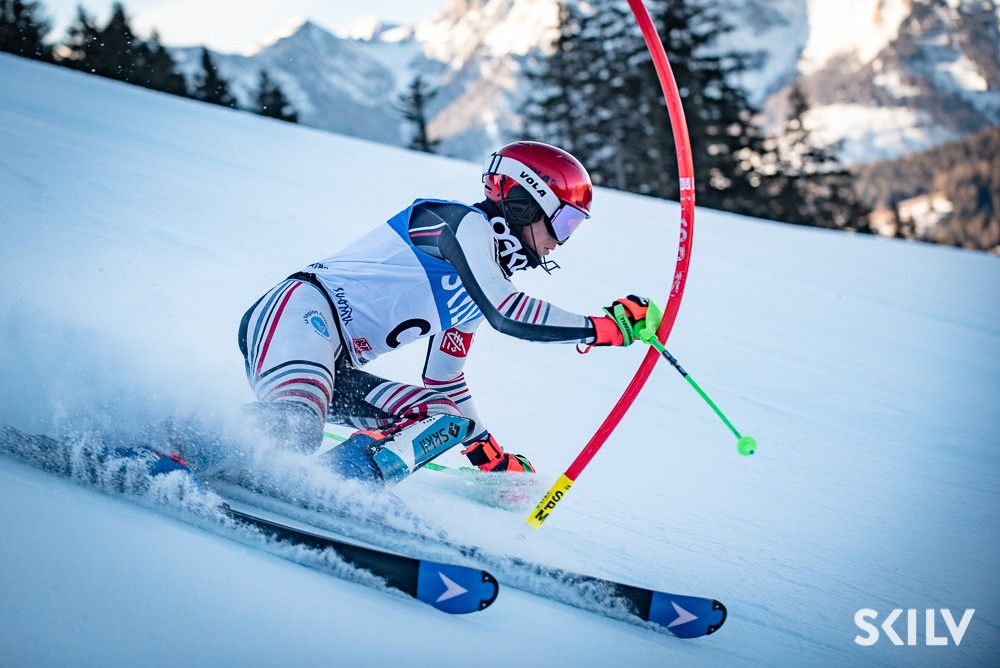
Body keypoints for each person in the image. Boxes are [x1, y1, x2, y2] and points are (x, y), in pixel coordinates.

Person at [237, 141, 656, 485]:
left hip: (336, 365)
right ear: (526, 202)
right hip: (298, 315)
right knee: (294, 428)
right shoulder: (459, 223)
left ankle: (342, 484)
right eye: (563, 223)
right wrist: (607, 328)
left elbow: (444, 377)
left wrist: (488, 456)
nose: (559, 242)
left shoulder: (483, 277)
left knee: (446, 418)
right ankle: (201, 441)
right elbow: (508, 312)